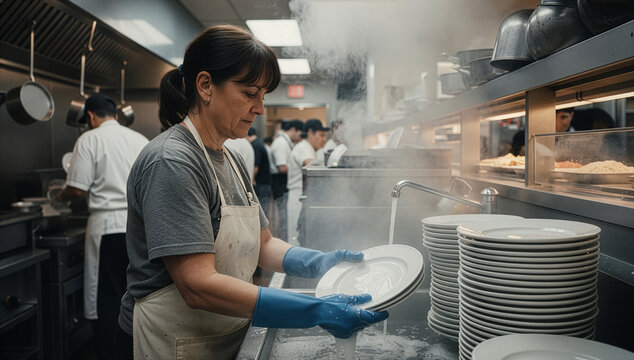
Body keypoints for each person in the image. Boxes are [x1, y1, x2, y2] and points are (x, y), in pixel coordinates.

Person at [113, 25, 387, 360]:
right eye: (249, 94)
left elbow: (264, 244)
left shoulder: (229, 156)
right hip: (168, 341)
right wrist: (313, 310)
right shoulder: (173, 161)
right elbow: (196, 284)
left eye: (263, 96)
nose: (259, 108)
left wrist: (318, 262)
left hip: (217, 334)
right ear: (205, 86)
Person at [52, 93, 149, 360]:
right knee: (134, 294)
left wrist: (58, 199)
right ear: (116, 115)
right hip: (140, 228)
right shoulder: (139, 139)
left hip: (107, 227)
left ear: (91, 117)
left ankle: (110, 354)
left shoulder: (89, 139)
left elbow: (77, 188)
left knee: (106, 298)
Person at [287, 119, 329, 244]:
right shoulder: (303, 147)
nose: (324, 140)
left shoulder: (310, 148)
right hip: (298, 196)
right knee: (297, 236)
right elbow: (311, 167)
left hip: (303, 195)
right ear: (310, 133)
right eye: (321, 135)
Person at [269, 119, 303, 240]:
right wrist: (297, 169)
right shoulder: (281, 143)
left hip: (282, 180)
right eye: (300, 134)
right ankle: (284, 241)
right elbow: (282, 167)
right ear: (293, 130)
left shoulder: (285, 142)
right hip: (280, 181)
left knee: (286, 214)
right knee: (284, 214)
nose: (301, 137)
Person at [247, 127, 272, 217]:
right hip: (265, 184)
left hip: (262, 185)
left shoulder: (255, 146)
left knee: (261, 215)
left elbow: (256, 166)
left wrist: (251, 178)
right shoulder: (259, 143)